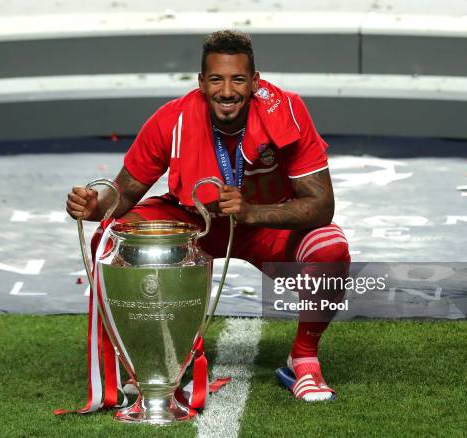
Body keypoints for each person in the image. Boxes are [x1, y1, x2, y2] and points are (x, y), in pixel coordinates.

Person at [66, 30, 350, 403]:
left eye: (237, 79)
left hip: (264, 225)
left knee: (329, 247)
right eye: (216, 79)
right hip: (193, 226)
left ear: (254, 81)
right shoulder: (172, 119)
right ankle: (148, 360)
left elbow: (321, 205)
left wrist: (250, 212)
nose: (227, 90)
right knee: (112, 236)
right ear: (202, 82)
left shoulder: (287, 112)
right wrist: (95, 206)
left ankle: (304, 358)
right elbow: (125, 192)